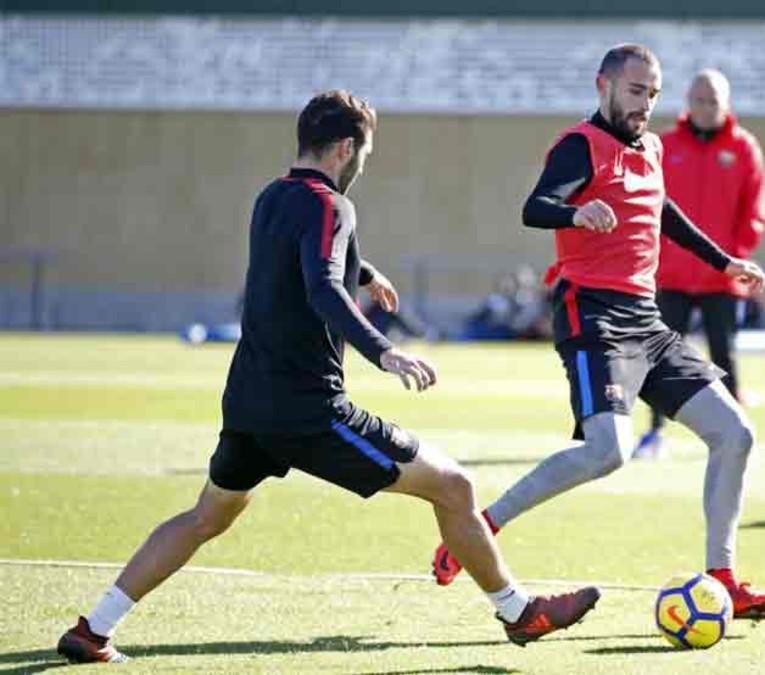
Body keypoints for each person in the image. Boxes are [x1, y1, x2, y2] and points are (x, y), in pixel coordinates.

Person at [55, 91, 598, 665]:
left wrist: (364, 270)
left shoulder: (272, 196)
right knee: (455, 486)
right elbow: (321, 286)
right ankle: (519, 613)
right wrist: (384, 351)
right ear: (346, 148)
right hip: (309, 411)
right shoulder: (333, 208)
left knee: (206, 516)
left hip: (247, 399)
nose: (365, 161)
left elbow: (303, 259)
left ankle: (94, 628)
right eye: (365, 151)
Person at [427, 45, 765, 622]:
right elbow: (535, 206)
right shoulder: (580, 146)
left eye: (653, 94)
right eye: (635, 90)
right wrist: (576, 213)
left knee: (735, 433)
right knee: (607, 452)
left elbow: (664, 212)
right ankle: (478, 530)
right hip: (591, 310)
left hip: (646, 318)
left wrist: (725, 263)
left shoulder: (653, 147)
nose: (645, 104)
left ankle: (724, 579)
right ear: (605, 86)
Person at [634, 68, 765, 460]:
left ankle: (734, 437)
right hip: (672, 274)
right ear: (687, 103)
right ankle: (655, 433)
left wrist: (735, 256)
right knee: (658, 356)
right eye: (699, 100)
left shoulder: (744, 148)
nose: (706, 108)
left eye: (713, 101)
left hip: (720, 277)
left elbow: (755, 210)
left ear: (726, 104)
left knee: (724, 355)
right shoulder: (665, 145)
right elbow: (648, 204)